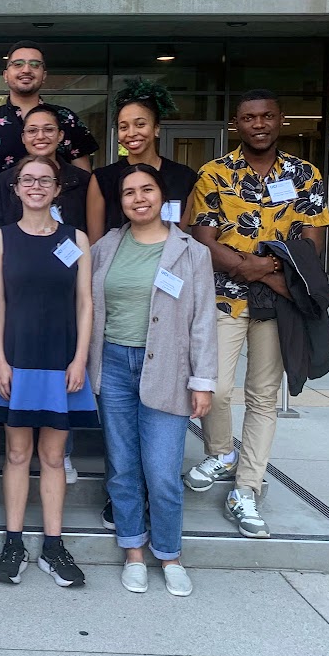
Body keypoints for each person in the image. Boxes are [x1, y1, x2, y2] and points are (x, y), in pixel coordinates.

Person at [185, 89, 329, 539]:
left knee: (264, 397)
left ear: (280, 119)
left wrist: (265, 271)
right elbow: (203, 240)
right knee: (215, 387)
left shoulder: (304, 174)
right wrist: (245, 267)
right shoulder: (214, 173)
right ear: (237, 124)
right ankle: (221, 452)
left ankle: (246, 487)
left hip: (279, 302)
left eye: (267, 116)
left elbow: (312, 242)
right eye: (250, 118)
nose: (259, 124)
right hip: (224, 299)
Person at [88, 163, 217, 597]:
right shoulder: (107, 246)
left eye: (147, 190)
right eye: (129, 192)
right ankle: (133, 552)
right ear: (120, 201)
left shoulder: (191, 252)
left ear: (162, 197)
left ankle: (170, 554)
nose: (138, 198)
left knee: (162, 472)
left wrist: (203, 381)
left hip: (167, 369)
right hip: (113, 365)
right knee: (123, 467)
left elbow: (203, 321)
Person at [0, 154, 95, 589]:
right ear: (15, 188)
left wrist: (80, 358)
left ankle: (53, 545)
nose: (35, 186)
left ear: (57, 187)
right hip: (17, 357)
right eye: (27, 179)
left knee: (52, 456)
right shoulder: (1, 239)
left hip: (61, 359)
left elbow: (85, 302)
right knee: (16, 454)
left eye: (44, 180)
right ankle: (13, 544)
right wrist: (0, 360)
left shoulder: (76, 238)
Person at [86, 79, 199, 244]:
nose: (131, 133)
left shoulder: (184, 177)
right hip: (116, 259)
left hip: (168, 258)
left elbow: (179, 237)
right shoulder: (102, 179)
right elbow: (95, 243)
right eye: (123, 127)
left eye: (140, 124)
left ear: (156, 128)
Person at [0, 41, 98, 172]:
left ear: (44, 76)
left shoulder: (66, 118)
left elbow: (83, 176)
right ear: (5, 75)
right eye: (18, 64)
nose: (26, 70)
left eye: (35, 64)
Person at [0, 104, 90, 233]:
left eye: (49, 130)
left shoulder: (83, 181)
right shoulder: (4, 182)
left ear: (60, 135)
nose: (40, 136)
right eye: (32, 131)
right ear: (23, 138)